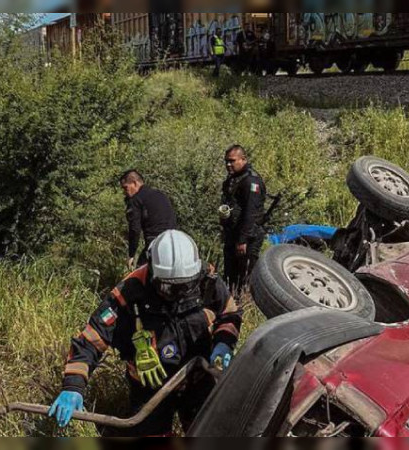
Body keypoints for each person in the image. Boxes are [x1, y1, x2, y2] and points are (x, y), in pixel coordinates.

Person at [49, 230, 242, 435]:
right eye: (169, 288)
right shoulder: (129, 293)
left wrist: (224, 342)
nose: (178, 294)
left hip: (198, 378)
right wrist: (73, 386)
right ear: (152, 273)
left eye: (185, 286)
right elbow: (91, 339)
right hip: (150, 389)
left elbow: (230, 314)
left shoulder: (206, 281)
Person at [220, 144, 266, 294]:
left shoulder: (251, 181)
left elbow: (251, 213)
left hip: (247, 238)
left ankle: (244, 304)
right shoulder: (234, 179)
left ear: (243, 159)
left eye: (232, 161)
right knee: (230, 276)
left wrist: (242, 240)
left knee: (244, 277)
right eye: (226, 161)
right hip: (233, 234)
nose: (228, 164)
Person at [120, 170, 177, 268]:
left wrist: (131, 254)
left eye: (126, 188)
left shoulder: (135, 200)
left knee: (139, 273)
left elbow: (134, 230)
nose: (125, 192)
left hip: (155, 244)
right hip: (174, 242)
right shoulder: (160, 194)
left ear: (135, 183)